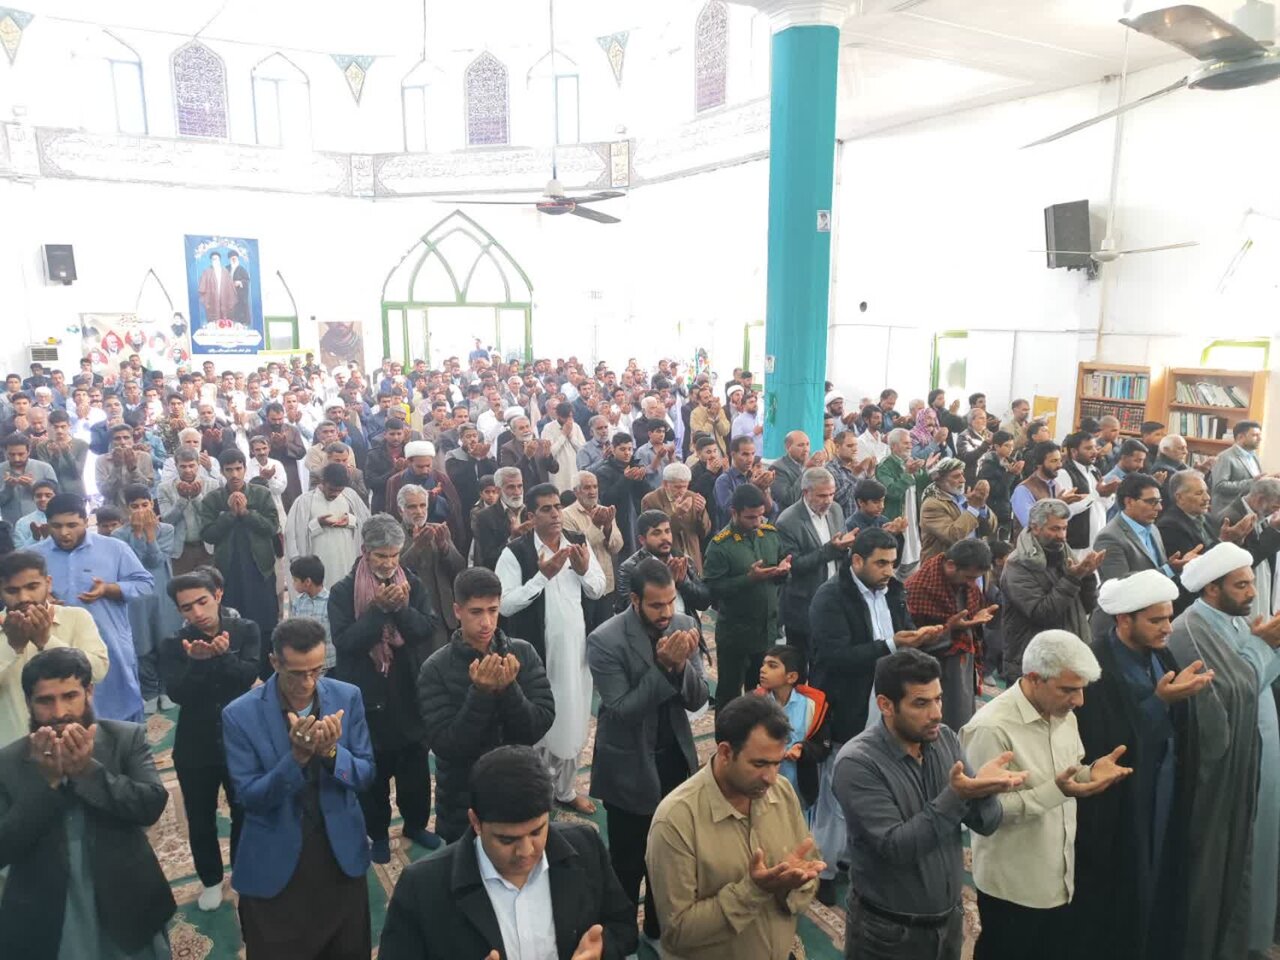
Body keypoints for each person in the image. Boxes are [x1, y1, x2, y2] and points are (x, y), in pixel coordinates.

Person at [960, 630, 1132, 960]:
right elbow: (984, 813)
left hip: (1059, 877)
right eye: (1068, 689)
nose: (1079, 700)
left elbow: (1068, 773)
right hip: (1012, 888)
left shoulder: (1062, 714)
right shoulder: (990, 728)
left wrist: (1090, 772)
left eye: (1081, 689)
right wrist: (1057, 791)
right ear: (1034, 678)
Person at [835, 649, 1016, 960]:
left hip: (949, 923)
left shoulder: (943, 739)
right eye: (921, 703)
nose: (936, 713)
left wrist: (985, 790)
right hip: (888, 934)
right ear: (885, 705)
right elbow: (896, 847)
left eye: (938, 699)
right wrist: (957, 795)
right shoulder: (857, 763)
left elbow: (987, 823)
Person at [378, 744, 636, 959]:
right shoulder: (423, 887)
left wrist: (601, 950)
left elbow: (623, 927)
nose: (525, 851)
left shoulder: (585, 847)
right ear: (476, 822)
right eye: (507, 840)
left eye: (537, 832)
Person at [0, 647, 174, 957]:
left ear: (89, 692)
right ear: (28, 703)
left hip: (126, 898)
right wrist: (47, 783)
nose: (59, 712)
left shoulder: (125, 739)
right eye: (45, 701)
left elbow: (150, 806)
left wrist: (88, 772)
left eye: (70, 696)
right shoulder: (8, 762)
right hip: (50, 912)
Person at [1074, 570, 1212, 960]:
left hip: (1163, 791)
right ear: (1124, 619)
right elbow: (1102, 742)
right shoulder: (1096, 667)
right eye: (1156, 620)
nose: (1168, 627)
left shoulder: (1161, 656)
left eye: (1169, 617)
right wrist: (1160, 702)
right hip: (1121, 806)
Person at [222, 616, 375, 958]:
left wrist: (332, 754)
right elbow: (250, 798)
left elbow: (365, 775)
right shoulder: (240, 715)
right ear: (274, 662)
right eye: (297, 673)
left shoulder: (347, 697)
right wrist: (296, 759)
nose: (308, 682)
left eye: (316, 671)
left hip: (339, 855)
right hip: (276, 862)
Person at [646, 694, 825, 960]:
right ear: (726, 753)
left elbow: (807, 875)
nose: (771, 777)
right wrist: (754, 890)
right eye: (759, 764)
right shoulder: (676, 820)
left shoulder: (782, 792)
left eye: (777, 763)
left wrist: (790, 886)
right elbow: (678, 932)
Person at [587, 558, 709, 940]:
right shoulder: (605, 639)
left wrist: (681, 668)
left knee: (671, 854)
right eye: (657, 605)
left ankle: (659, 926)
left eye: (671, 601)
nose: (666, 612)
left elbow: (699, 699)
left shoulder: (684, 624)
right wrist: (663, 669)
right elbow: (622, 711)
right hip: (628, 765)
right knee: (628, 862)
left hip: (674, 759)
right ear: (636, 601)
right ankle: (622, 936)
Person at [1168, 542, 1280, 959]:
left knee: (1260, 846)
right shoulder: (1190, 631)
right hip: (1226, 769)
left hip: (1259, 755)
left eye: (1251, 582)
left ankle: (1253, 940)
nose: (1252, 592)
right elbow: (1225, 694)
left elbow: (1257, 678)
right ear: (1212, 589)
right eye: (1241, 585)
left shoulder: (1237, 621)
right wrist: (1263, 646)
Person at [329, 513, 440, 861]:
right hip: (366, 696)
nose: (389, 563)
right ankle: (376, 834)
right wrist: (377, 611)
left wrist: (402, 609)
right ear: (365, 551)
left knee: (415, 771)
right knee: (372, 774)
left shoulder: (413, 585)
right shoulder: (343, 591)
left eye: (394, 555)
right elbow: (345, 642)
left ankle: (415, 825)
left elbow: (426, 630)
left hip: (408, 692)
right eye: (381, 556)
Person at [417, 567, 555, 843]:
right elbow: (446, 745)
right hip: (464, 796)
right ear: (457, 611)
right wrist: (480, 694)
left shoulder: (523, 652)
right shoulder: (435, 668)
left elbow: (538, 724)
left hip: (519, 782)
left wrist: (509, 690)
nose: (486, 623)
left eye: (493, 610)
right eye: (476, 612)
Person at [496, 482, 605, 813]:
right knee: (539, 724)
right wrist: (541, 577)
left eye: (558, 506)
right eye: (546, 509)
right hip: (538, 656)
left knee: (574, 720)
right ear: (531, 516)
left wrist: (583, 572)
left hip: (576, 653)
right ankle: (538, 795)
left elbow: (598, 588)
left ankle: (566, 790)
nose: (556, 514)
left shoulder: (578, 543)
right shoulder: (515, 553)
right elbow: (504, 605)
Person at [159, 569, 260, 912]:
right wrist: (198, 663)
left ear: (217, 594)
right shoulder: (174, 644)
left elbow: (248, 677)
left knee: (244, 809)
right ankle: (211, 880)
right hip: (195, 744)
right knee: (200, 817)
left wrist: (224, 655)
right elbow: (179, 693)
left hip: (241, 739)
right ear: (179, 610)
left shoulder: (245, 629)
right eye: (187, 608)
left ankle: (244, 871)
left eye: (202, 601)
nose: (197, 613)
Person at [34, 492, 154, 722]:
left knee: (123, 716)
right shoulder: (34, 556)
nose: (64, 532)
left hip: (110, 645)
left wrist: (108, 589)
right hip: (54, 648)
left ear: (85, 521)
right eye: (56, 526)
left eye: (72, 525)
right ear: (47, 524)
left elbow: (145, 583)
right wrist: (41, 597)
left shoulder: (114, 548)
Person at [0, 550, 108, 747]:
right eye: (12, 591)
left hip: (76, 740)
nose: (23, 597)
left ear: (48, 583)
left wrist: (46, 640)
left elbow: (98, 672)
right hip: (12, 749)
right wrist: (12, 646)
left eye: (32, 587)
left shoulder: (76, 618)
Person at [704, 482, 792, 706]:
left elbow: (781, 564)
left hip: (766, 631)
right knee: (730, 696)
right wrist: (749, 578)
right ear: (734, 513)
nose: (757, 522)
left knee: (761, 694)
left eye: (761, 516)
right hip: (736, 634)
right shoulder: (720, 545)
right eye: (750, 517)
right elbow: (712, 590)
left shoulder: (769, 535)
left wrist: (783, 571)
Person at [999, 499, 1104, 681]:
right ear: (1035, 528)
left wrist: (1087, 576)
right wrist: (1073, 578)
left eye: (1064, 528)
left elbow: (1087, 607)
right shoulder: (1018, 565)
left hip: (1069, 657)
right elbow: (1042, 613)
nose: (1062, 536)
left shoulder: (1066, 554)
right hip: (1036, 665)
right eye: (1055, 529)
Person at [199, 448, 280, 674]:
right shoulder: (213, 499)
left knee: (265, 622)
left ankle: (267, 672)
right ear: (222, 472)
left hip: (260, 569)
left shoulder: (261, 494)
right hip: (228, 572)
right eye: (229, 470)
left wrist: (246, 513)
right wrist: (230, 515)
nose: (234, 474)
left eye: (238, 468)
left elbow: (272, 527)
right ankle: (239, 672)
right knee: (233, 622)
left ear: (245, 468)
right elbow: (208, 534)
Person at [905, 539, 999, 729]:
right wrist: (949, 628)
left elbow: (971, 613)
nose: (972, 584)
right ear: (950, 565)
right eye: (969, 577)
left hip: (963, 665)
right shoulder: (918, 588)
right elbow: (909, 640)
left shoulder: (966, 585)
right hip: (930, 671)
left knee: (962, 721)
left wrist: (975, 619)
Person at [776, 466, 856, 670]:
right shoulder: (788, 521)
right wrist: (831, 549)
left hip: (833, 599)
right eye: (822, 495)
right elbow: (795, 565)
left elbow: (839, 550)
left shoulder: (835, 510)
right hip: (803, 604)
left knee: (827, 662)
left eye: (831, 494)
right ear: (806, 492)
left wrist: (846, 547)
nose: (828, 500)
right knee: (799, 666)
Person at [114, 483, 181, 714]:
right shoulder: (119, 535)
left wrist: (151, 536)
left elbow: (156, 561)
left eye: (145, 504)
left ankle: (166, 690)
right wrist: (137, 534)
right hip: (136, 599)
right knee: (142, 646)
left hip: (162, 594)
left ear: (152, 504)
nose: (141, 510)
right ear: (127, 508)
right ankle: (150, 692)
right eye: (135, 506)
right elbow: (133, 564)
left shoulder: (167, 529)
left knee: (166, 641)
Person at [755, 644, 831, 811]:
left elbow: (823, 747)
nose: (763, 670)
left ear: (791, 677)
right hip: (762, 790)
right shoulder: (755, 705)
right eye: (763, 664)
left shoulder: (812, 706)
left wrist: (803, 749)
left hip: (799, 792)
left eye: (772, 666)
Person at [396, 483, 467, 654]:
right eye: (412, 507)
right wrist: (417, 547)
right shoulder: (395, 535)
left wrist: (444, 547)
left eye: (423, 505)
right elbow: (395, 572)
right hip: (417, 615)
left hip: (446, 614)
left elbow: (460, 568)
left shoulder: (438, 530)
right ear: (400, 510)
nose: (419, 511)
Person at [1096, 472, 1202, 584]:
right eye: (1152, 502)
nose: (1159, 507)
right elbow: (1122, 585)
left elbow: (1157, 569)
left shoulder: (1153, 528)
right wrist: (1169, 569)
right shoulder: (1109, 538)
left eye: (1159, 501)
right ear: (1129, 502)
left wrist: (1176, 564)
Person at [284, 462, 369, 590]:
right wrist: (318, 524)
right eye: (331, 489)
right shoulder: (304, 501)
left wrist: (351, 521)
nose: (335, 494)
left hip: (346, 558)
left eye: (339, 490)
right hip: (319, 558)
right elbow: (293, 535)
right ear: (323, 481)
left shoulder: (350, 496)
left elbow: (367, 523)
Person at [560, 469, 625, 631]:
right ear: (576, 491)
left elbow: (617, 547)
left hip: (606, 585)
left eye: (595, 486)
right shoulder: (566, 515)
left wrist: (608, 526)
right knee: (585, 633)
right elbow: (577, 548)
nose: (592, 491)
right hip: (582, 586)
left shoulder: (605, 511)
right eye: (587, 487)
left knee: (605, 633)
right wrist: (596, 525)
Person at [157, 447, 221, 576]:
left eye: (191, 465)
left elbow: (213, 517)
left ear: (198, 464)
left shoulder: (212, 485)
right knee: (181, 587)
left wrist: (197, 498)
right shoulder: (164, 488)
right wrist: (182, 500)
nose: (188, 470)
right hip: (180, 550)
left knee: (209, 585)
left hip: (206, 548)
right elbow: (167, 520)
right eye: (183, 466)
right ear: (176, 465)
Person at [640, 461, 712, 574]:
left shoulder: (692, 497)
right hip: (667, 563)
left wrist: (701, 512)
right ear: (665, 483)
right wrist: (678, 514)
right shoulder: (651, 500)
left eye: (685, 486)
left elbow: (705, 532)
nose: (682, 491)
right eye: (677, 487)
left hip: (693, 561)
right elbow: (656, 534)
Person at [918, 457, 993, 562]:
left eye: (962, 474)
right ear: (941, 480)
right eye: (956, 476)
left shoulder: (966, 499)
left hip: (973, 563)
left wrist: (982, 505)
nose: (963, 480)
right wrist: (974, 508)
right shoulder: (932, 505)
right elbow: (953, 537)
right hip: (945, 567)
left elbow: (991, 529)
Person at [1057, 429, 1118, 556]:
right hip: (1076, 544)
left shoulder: (1095, 471)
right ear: (1074, 451)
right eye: (1088, 448)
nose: (1094, 452)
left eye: (1095, 447)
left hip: (1097, 539)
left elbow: (1103, 506)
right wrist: (1096, 494)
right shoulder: (1064, 473)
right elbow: (1067, 511)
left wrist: (1109, 493)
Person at [590, 431, 651, 557]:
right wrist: (625, 479)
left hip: (637, 519)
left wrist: (641, 480)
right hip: (618, 522)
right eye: (622, 449)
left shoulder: (636, 467)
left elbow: (647, 495)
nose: (627, 453)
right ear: (613, 449)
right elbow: (606, 499)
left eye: (630, 449)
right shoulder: (603, 471)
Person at [474, 466, 530, 570]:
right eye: (511, 487)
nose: (517, 492)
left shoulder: (532, 512)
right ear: (498, 490)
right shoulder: (484, 518)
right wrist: (512, 539)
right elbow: (488, 559)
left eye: (520, 486)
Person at [1210, 419, 1265, 520]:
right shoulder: (1225, 457)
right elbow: (1219, 486)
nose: (1260, 439)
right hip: (1228, 513)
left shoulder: (1254, 456)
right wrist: (1252, 482)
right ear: (1240, 437)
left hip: (1248, 511)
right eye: (1255, 435)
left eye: (1259, 435)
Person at [0, 432, 58, 526]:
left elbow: (56, 499)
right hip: (11, 526)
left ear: (28, 452)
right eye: (11, 454)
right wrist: (7, 488)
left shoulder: (45, 468)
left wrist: (34, 486)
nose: (17, 459)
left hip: (43, 525)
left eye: (21, 454)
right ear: (5, 452)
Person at [288, 554, 334, 665]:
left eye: (295, 580)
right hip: (305, 661)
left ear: (307, 582)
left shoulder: (331, 601)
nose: (293, 583)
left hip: (328, 662)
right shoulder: (298, 602)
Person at [33, 409, 89, 499]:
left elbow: (77, 472)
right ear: (49, 427)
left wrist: (67, 454)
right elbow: (47, 474)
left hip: (76, 493)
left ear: (69, 426)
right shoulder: (42, 447)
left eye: (63, 427)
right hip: (53, 493)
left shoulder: (81, 444)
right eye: (56, 427)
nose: (59, 430)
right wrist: (55, 457)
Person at [769, 430, 813, 511]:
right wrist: (807, 470)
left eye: (807, 444)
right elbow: (789, 499)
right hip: (791, 515)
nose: (806, 449)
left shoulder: (811, 462)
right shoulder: (778, 468)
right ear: (788, 448)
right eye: (800, 445)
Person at [11, 477, 54, 550]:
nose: (43, 499)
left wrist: (48, 538)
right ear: (33, 498)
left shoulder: (64, 520)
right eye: (38, 496)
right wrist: (34, 538)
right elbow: (18, 552)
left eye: (48, 496)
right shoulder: (22, 522)